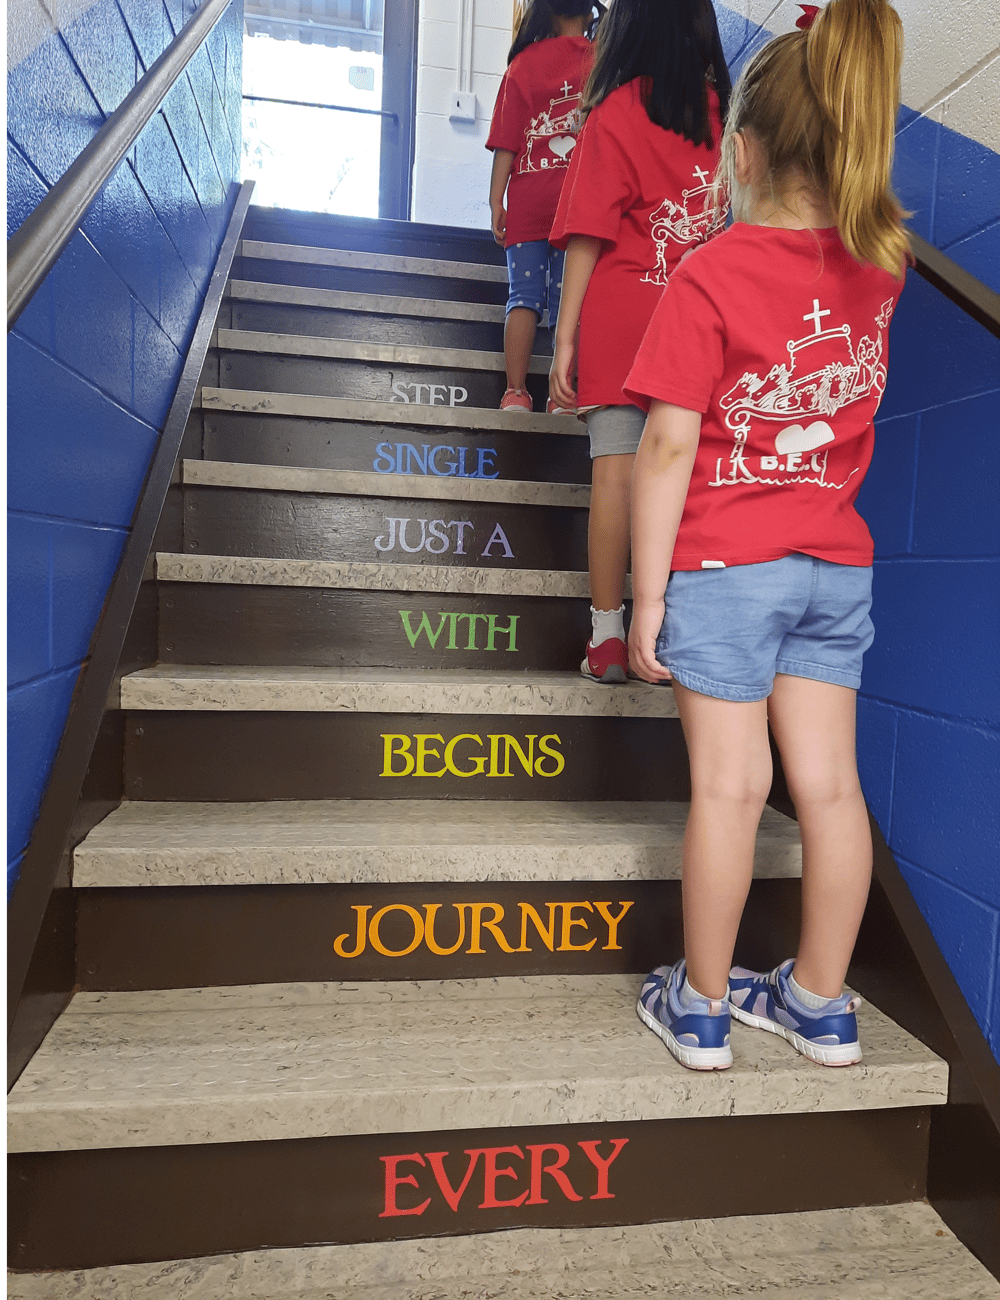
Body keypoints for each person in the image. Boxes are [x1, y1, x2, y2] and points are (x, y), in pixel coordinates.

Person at [625, 0, 909, 1071]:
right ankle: (821, 1005)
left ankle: (701, 1005)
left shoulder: (709, 272)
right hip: (833, 565)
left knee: (731, 788)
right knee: (828, 788)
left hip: (724, 564)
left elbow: (663, 445)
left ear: (742, 153)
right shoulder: (875, 273)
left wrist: (644, 598)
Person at [548, 0, 731, 683]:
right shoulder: (728, 120)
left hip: (625, 314)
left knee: (617, 475)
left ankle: (605, 636)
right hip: (703, 323)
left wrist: (564, 338)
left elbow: (589, 232)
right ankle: (677, 630)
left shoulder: (617, 111)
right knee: (683, 477)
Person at [486, 0, 601, 414]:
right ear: (589, 13)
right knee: (566, 300)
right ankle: (562, 395)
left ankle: (515, 392)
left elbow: (506, 142)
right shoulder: (602, 63)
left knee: (524, 296)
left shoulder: (522, 65)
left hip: (528, 203)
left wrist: (496, 200)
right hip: (578, 205)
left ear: (547, 13)